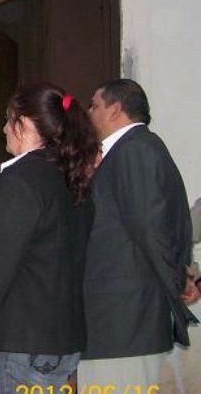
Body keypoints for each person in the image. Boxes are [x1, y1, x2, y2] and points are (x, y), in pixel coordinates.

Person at [0, 83, 98, 393]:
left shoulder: (20, 181)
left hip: (27, 345)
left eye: (9, 119)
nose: (4, 128)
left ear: (26, 124)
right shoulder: (70, 180)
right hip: (60, 338)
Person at [80, 78, 198, 390]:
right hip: (119, 321)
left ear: (115, 110)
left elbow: (151, 229)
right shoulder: (129, 151)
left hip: (122, 321)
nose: (88, 112)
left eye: (94, 105)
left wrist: (178, 281)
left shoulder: (134, 150)